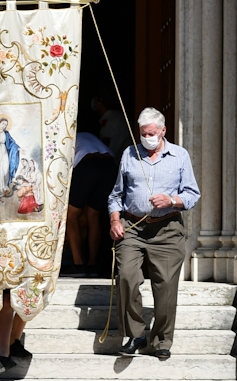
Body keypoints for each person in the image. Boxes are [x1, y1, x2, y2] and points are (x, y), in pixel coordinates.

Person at [108, 107, 199, 359]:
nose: (147, 137)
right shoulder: (129, 154)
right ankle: (135, 333)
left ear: (163, 131)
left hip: (167, 229)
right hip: (133, 227)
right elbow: (116, 194)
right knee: (126, 276)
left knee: (166, 286)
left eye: (151, 133)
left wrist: (171, 199)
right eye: (143, 133)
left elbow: (192, 194)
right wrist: (115, 220)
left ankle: (161, 341)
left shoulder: (179, 156)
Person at [66, 132, 117, 275]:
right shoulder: (89, 136)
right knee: (93, 215)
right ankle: (93, 265)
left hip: (87, 164)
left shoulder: (67, 136)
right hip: (109, 165)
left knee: (71, 215)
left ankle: (78, 265)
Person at [91, 92, 129, 160]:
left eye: (95, 100)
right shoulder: (117, 116)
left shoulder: (110, 123)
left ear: (100, 103)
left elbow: (108, 152)